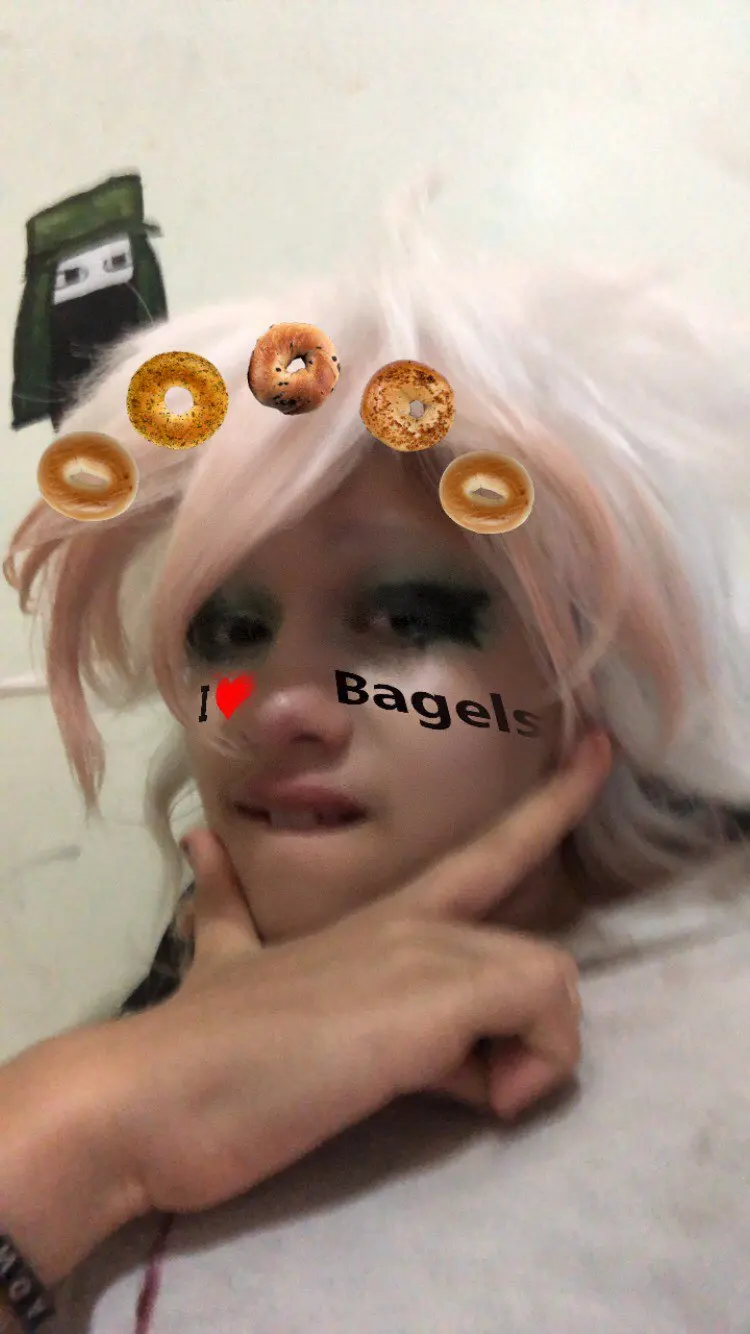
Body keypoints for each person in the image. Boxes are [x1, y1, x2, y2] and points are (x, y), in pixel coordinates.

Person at [2, 182, 749, 1332]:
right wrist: (76, 1128)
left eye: (405, 618)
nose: (277, 708)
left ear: (595, 676)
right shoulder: (119, 1081)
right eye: (229, 630)